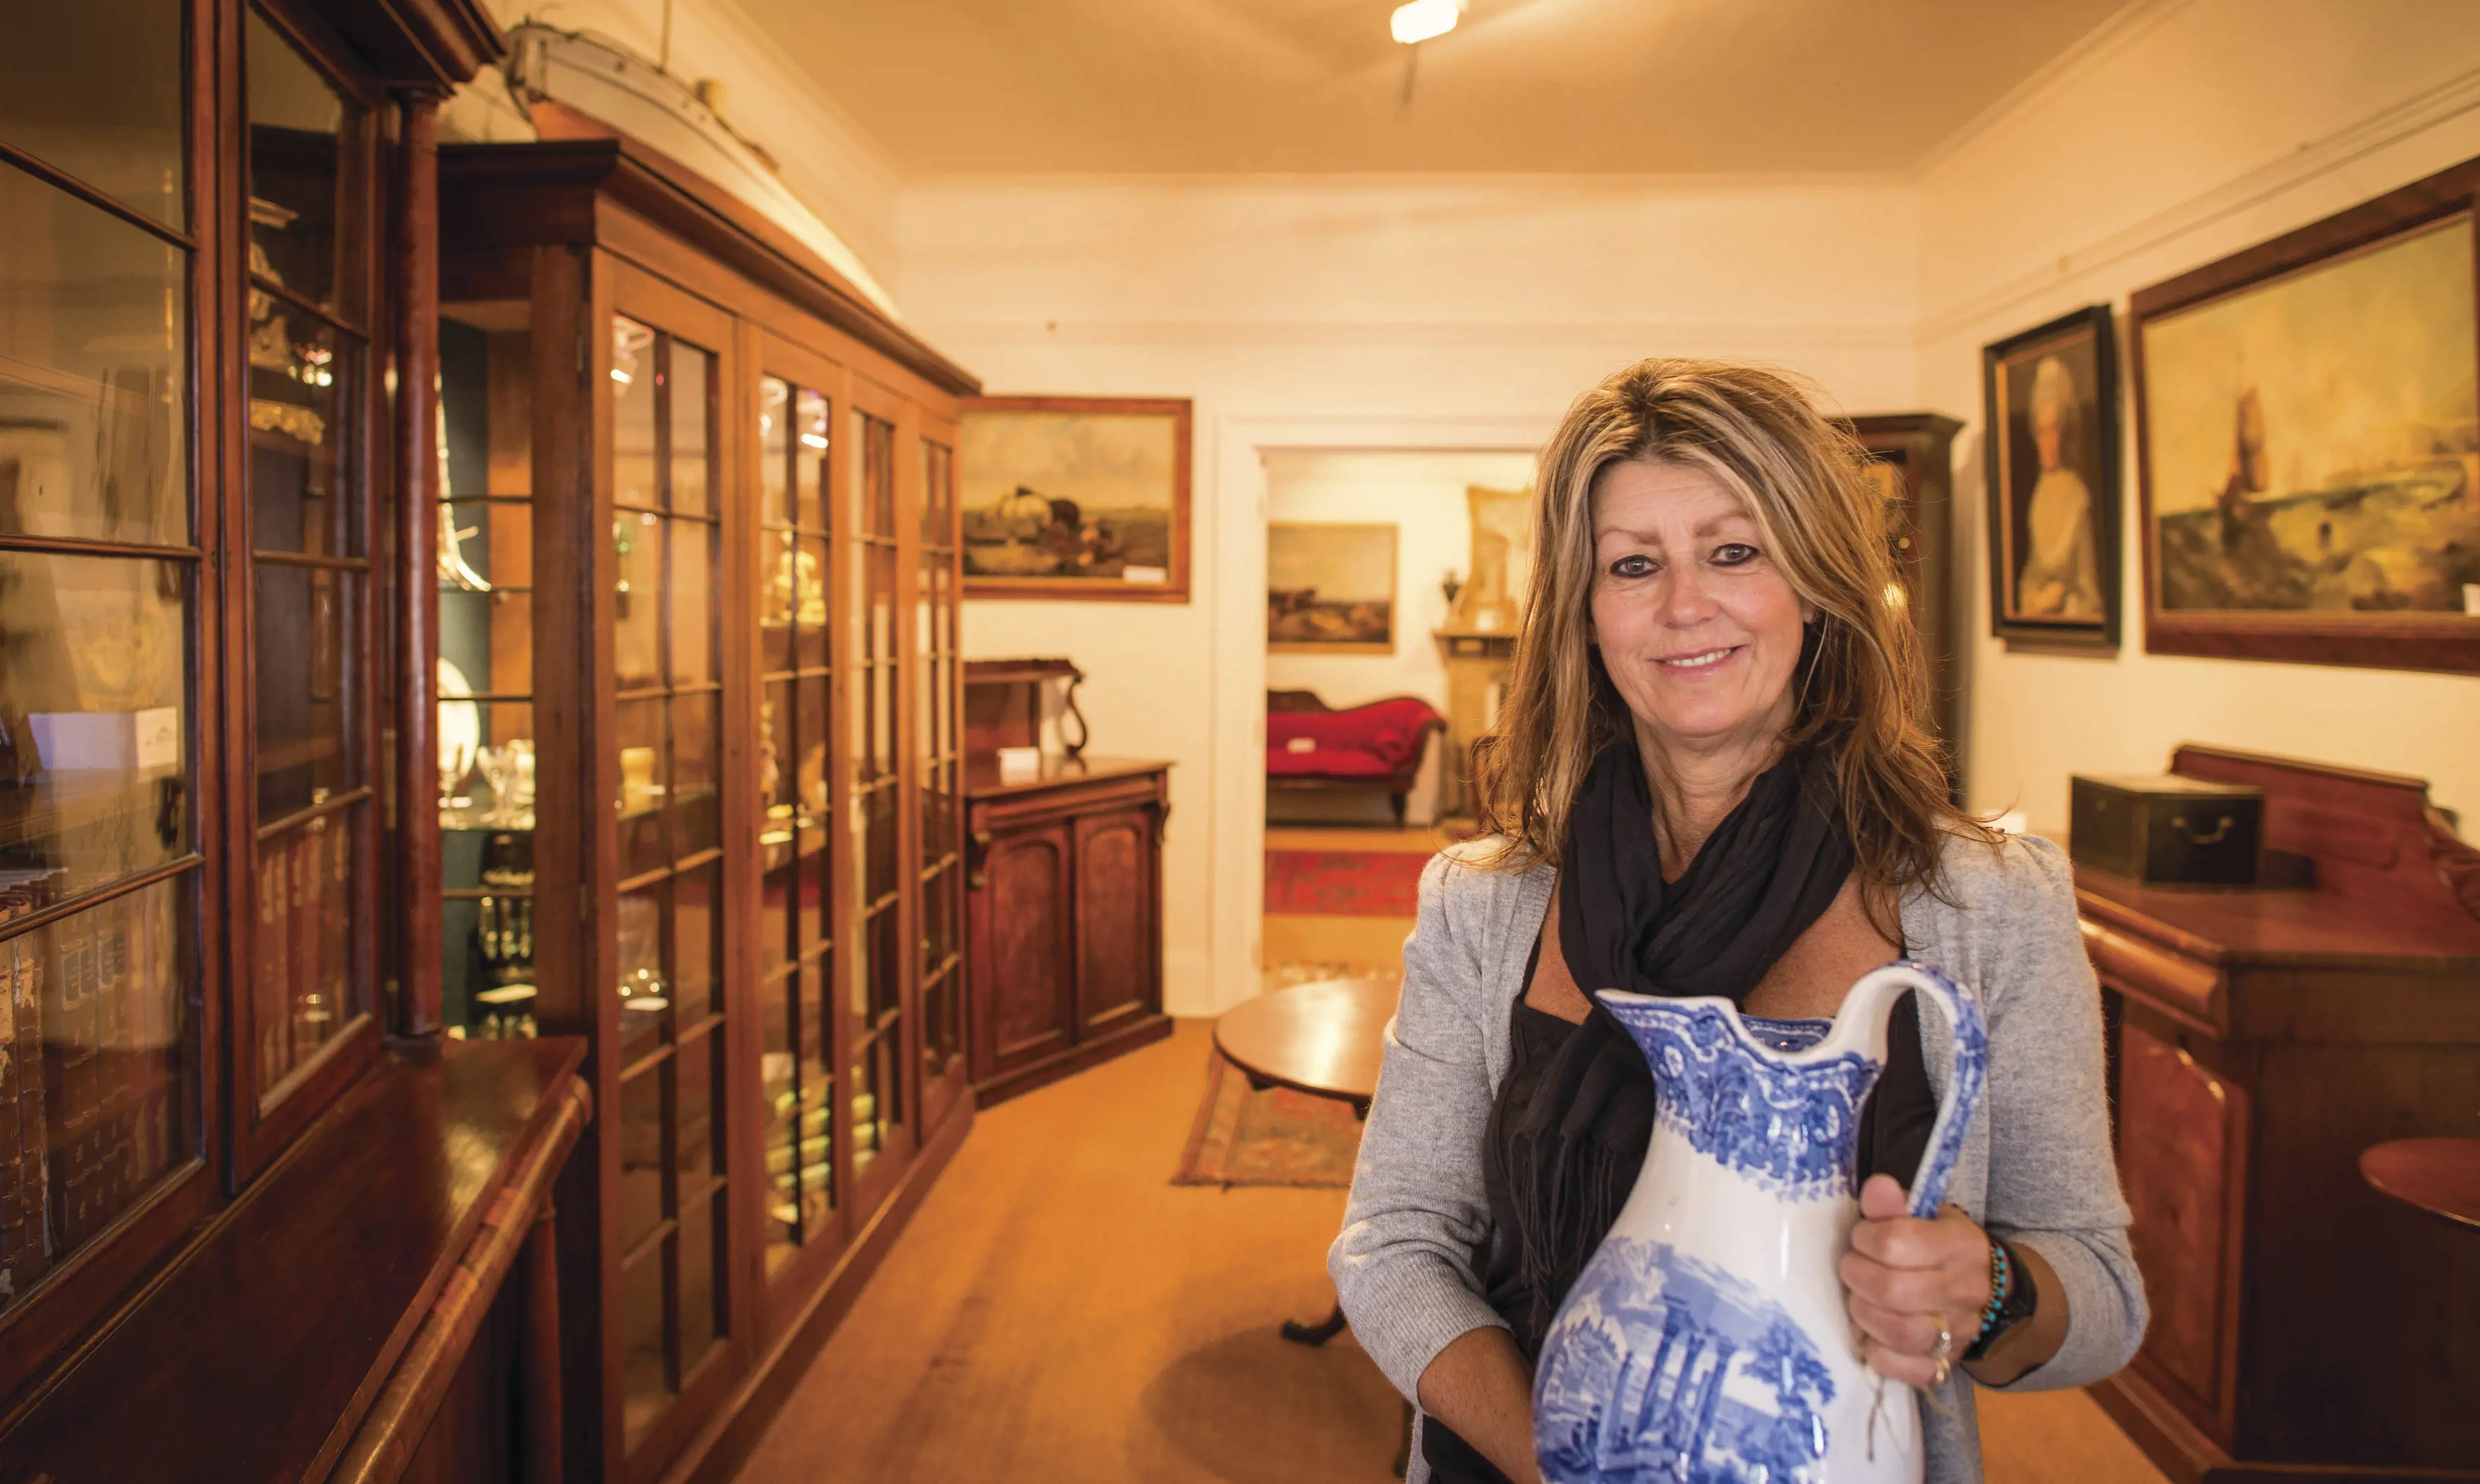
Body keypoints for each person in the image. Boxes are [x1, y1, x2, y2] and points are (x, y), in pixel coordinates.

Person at [1330, 360, 2145, 1484]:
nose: (1684, 606)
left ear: (1814, 583)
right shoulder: (1483, 904)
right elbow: (1393, 1246)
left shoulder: (1991, 903)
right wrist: (1566, 1464)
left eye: (1734, 552)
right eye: (1633, 564)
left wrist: (1989, 1290)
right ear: (1586, 615)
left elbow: (2102, 1294)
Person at [2015, 354, 2103, 619]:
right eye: (2042, 431)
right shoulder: (2040, 492)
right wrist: (2036, 602)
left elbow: (2088, 590)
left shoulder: (2076, 495)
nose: (2049, 442)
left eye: (2054, 430)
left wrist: (2062, 598)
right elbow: (2032, 575)